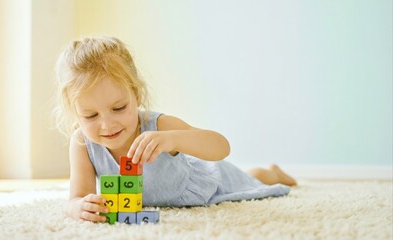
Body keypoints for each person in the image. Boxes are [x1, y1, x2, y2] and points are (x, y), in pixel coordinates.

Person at [54, 36, 297, 223]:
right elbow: (76, 197)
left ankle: (272, 172)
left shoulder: (158, 125)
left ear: (136, 94)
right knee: (250, 180)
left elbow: (221, 147)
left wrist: (172, 140)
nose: (107, 125)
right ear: (75, 113)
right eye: (91, 115)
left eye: (118, 108)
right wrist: (80, 207)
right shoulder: (83, 144)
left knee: (252, 181)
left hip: (204, 182)